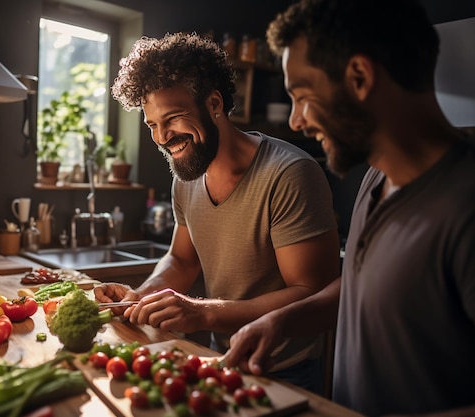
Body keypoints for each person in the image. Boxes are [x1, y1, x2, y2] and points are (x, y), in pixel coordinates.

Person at [224, 0, 475, 416]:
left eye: (302, 96)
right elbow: (365, 285)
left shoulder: (465, 206)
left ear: (359, 77)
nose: (296, 121)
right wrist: (284, 321)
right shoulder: (376, 178)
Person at [96, 32, 341, 393]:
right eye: (152, 125)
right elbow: (181, 261)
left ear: (213, 104)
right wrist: (141, 296)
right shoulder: (187, 174)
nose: (163, 137)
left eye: (173, 118)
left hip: (282, 370)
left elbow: (310, 291)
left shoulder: (289, 174)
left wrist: (203, 312)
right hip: (217, 359)